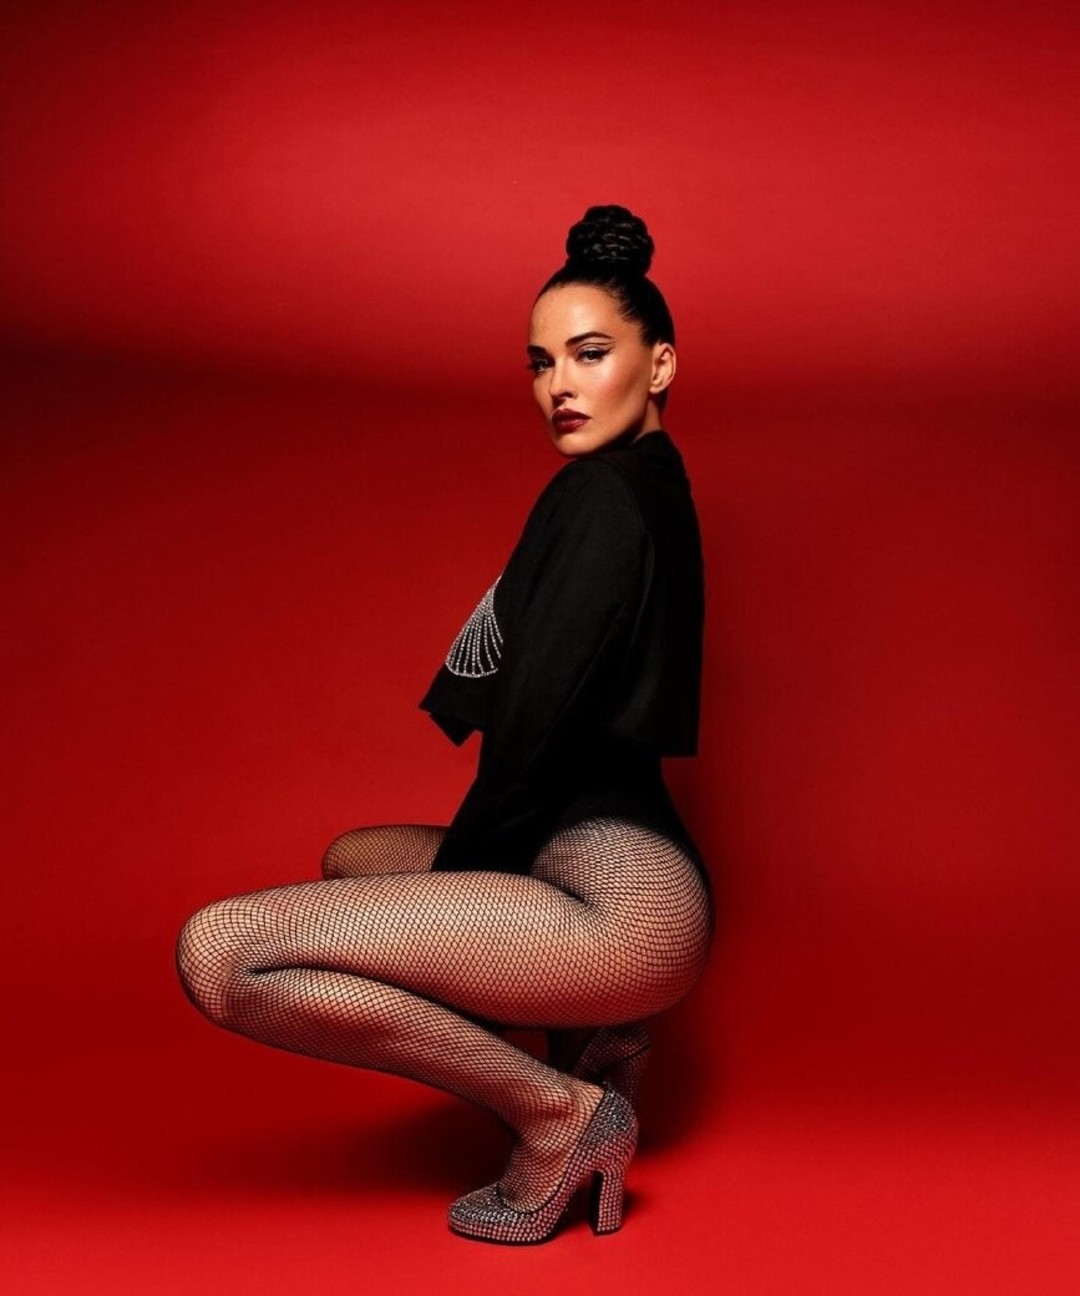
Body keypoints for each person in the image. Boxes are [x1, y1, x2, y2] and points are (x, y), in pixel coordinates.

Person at [175, 203, 715, 1245]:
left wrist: (459, 890)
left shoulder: (599, 498)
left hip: (623, 907)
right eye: (541, 364)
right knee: (355, 859)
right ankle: (597, 1040)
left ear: (659, 365)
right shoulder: (651, 482)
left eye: (590, 354)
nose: (559, 387)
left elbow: (533, 734)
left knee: (221, 954)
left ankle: (558, 1113)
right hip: (620, 864)